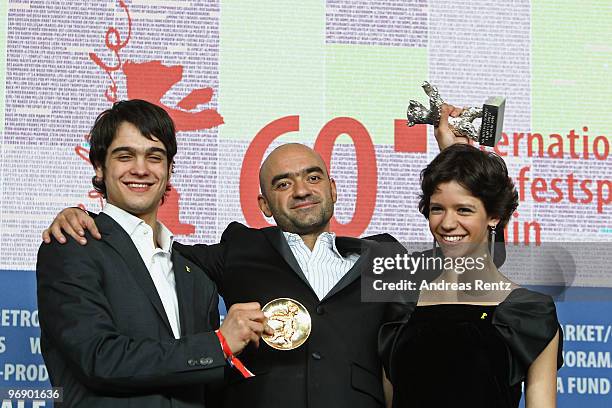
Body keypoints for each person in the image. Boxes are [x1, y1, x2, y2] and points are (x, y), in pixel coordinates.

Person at [41, 104, 466, 408]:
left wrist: (457, 158)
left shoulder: (381, 258)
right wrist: (80, 215)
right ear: (263, 205)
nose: (301, 190)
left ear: (333, 188)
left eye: (313, 177)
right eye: (282, 183)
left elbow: (466, 256)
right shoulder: (237, 251)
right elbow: (141, 250)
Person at [36, 100, 270, 408]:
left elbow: (202, 384)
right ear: (99, 167)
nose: (141, 169)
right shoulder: (73, 245)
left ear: (169, 171)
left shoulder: (194, 273)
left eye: (154, 157)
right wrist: (218, 343)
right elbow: (99, 359)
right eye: (125, 155)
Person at [379, 144, 563, 408]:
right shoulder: (402, 306)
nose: (447, 223)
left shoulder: (529, 313)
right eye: (437, 209)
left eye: (463, 210)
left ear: (494, 216)